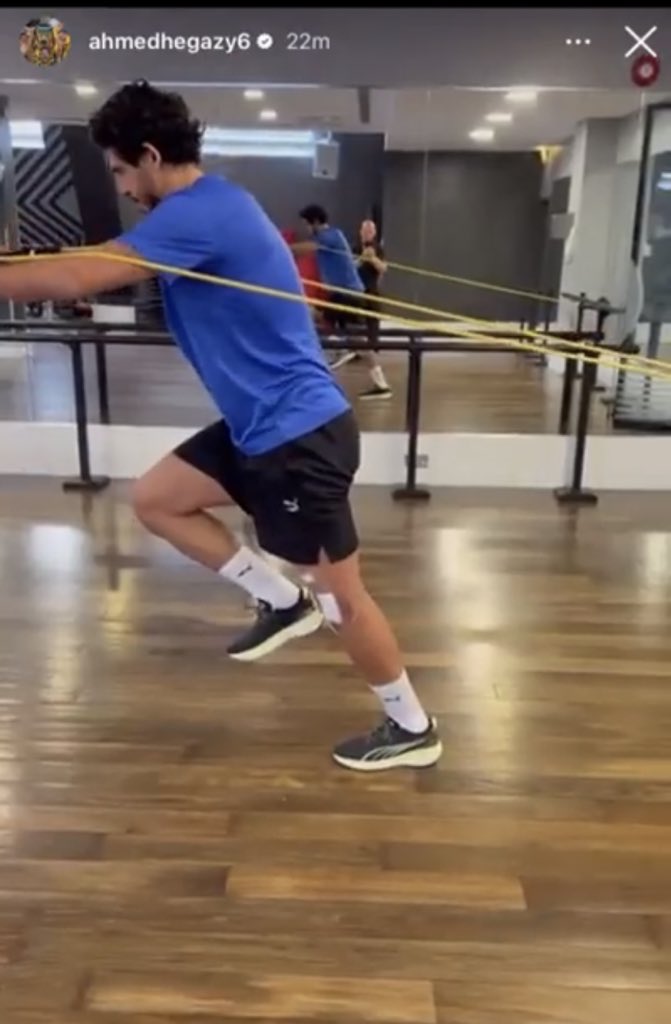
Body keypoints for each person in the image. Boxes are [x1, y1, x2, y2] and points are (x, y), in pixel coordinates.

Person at [0, 80, 442, 772]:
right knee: (157, 499)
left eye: (120, 171)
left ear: (150, 156)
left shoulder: (199, 212)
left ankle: (411, 725)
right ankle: (280, 601)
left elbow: (78, 277)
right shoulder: (206, 209)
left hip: (300, 436)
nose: (122, 187)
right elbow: (88, 261)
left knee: (343, 601)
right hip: (257, 427)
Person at [294, 206, 393, 399]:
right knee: (317, 318)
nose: (305, 228)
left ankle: (341, 349)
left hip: (348, 295)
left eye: (306, 224)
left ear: (315, 222)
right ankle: (346, 353)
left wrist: (277, 247)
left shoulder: (330, 236)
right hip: (341, 294)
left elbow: (305, 249)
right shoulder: (333, 237)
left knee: (317, 318)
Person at [352, 218, 393, 400]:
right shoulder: (353, 248)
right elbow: (349, 268)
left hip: (372, 296)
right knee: (355, 334)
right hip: (355, 296)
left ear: (374, 233)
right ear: (360, 231)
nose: (368, 233)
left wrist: (373, 258)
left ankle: (380, 383)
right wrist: (362, 258)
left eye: (371, 230)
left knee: (371, 338)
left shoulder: (378, 249)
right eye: (365, 230)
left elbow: (384, 269)